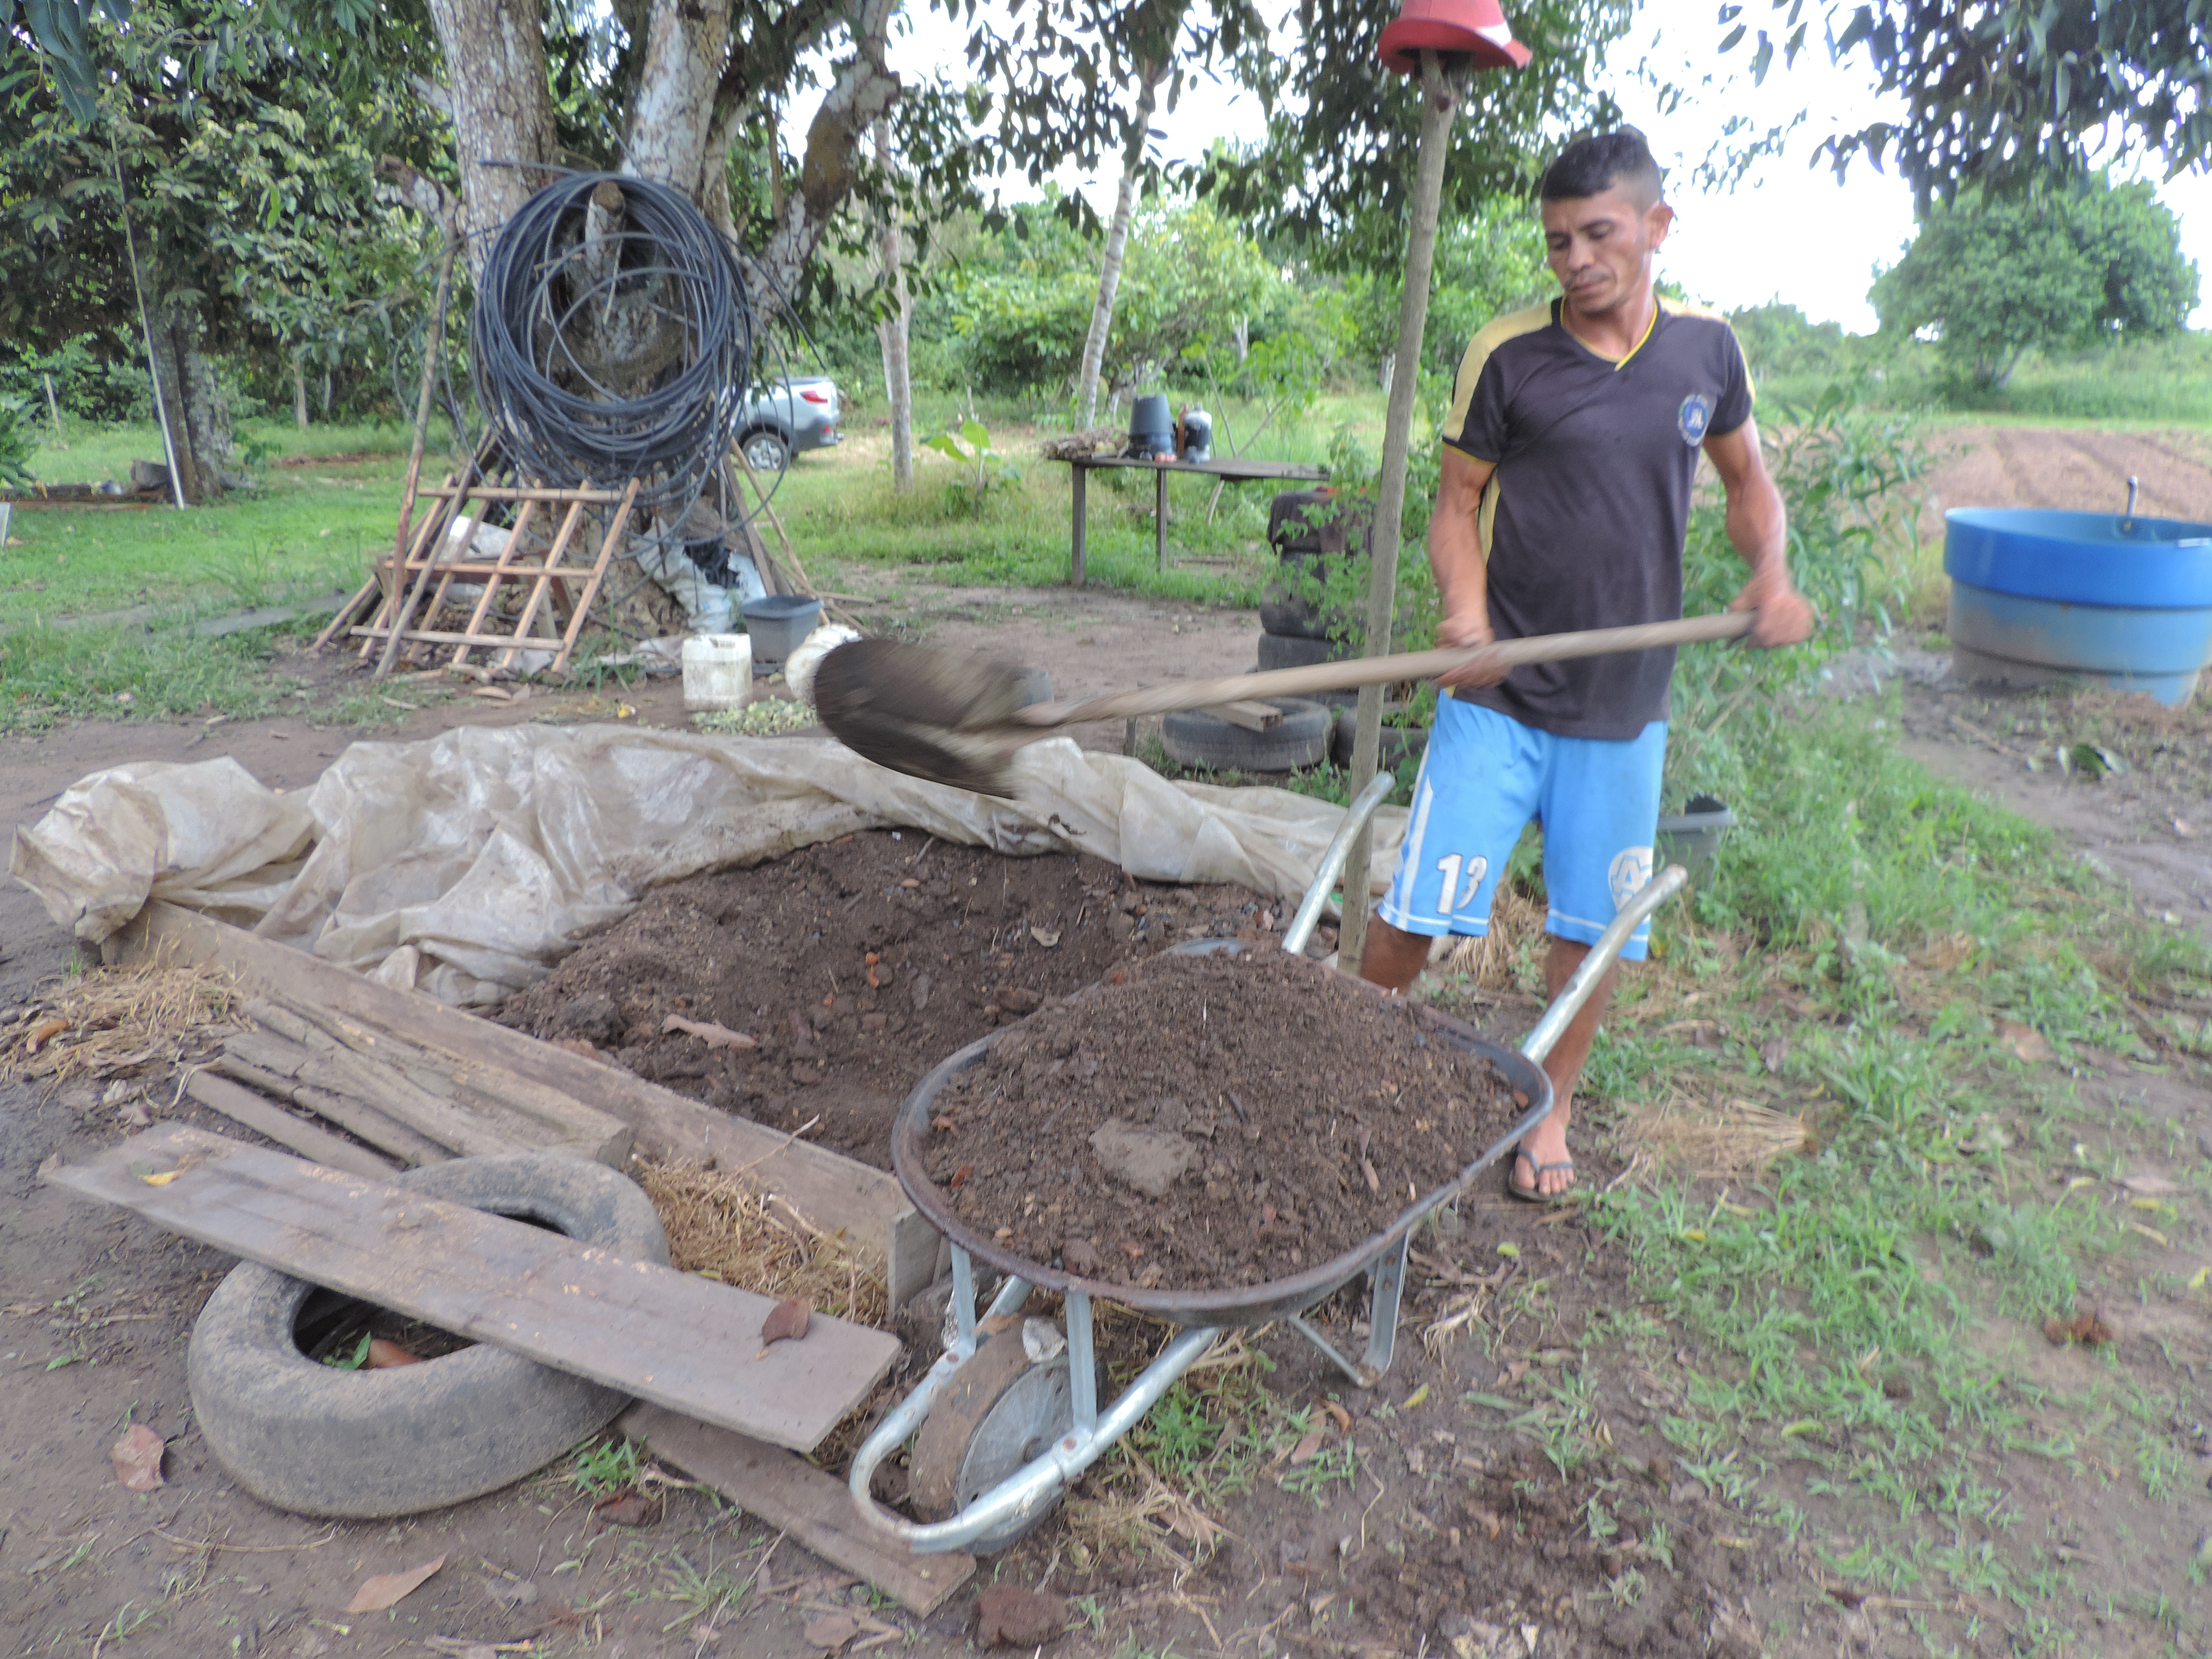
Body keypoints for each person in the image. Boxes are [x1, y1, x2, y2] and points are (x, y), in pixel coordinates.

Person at [1357, 128, 1814, 1201]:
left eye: (1598, 234)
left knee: (1586, 931)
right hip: (1501, 697)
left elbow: (1748, 483)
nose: (1574, 260)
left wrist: (1771, 575)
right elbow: (1456, 504)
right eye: (1558, 241)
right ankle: (1356, 1061)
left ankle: (1549, 1106)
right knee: (1419, 907)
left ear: (1657, 227)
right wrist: (1466, 618)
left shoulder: (1708, 352)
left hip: (1623, 710)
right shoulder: (1510, 354)